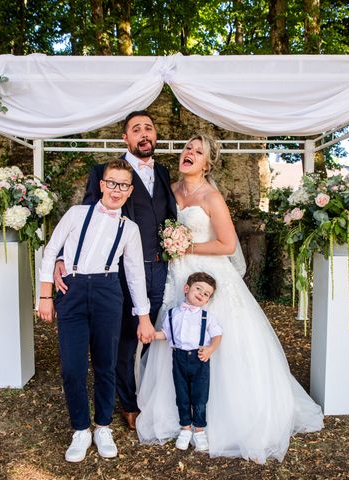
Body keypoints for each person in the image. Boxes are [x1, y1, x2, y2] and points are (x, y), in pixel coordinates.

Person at [136, 134, 324, 463]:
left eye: (198, 151)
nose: (189, 153)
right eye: (187, 148)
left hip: (209, 277)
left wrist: (185, 246)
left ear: (208, 164)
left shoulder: (211, 196)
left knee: (219, 344)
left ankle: (220, 419)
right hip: (178, 277)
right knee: (176, 339)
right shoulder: (172, 190)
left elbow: (226, 245)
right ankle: (179, 417)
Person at [54, 111, 177, 430]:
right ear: (126, 138)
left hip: (159, 269)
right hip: (116, 274)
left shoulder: (162, 172)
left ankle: (145, 391)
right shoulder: (105, 173)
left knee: (148, 333)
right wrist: (59, 260)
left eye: (149, 128)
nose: (144, 134)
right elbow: (82, 225)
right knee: (121, 340)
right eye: (136, 129)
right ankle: (128, 403)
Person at [38, 159, 151, 462]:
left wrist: (143, 317)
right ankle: (80, 429)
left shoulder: (129, 229)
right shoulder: (76, 214)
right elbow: (51, 250)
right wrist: (45, 296)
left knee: (106, 365)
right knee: (72, 368)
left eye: (123, 185)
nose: (117, 189)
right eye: (112, 182)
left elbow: (135, 273)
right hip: (72, 292)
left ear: (129, 191)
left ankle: (102, 426)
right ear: (101, 185)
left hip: (107, 292)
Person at [152, 272, 222, 452]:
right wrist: (152, 335)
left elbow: (217, 335)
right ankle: (185, 428)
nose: (201, 294)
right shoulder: (172, 314)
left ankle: (199, 430)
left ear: (207, 300)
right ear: (186, 289)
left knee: (200, 397)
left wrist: (210, 349)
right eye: (198, 289)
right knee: (182, 395)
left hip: (199, 359)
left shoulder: (207, 317)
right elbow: (166, 334)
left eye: (206, 294)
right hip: (179, 358)